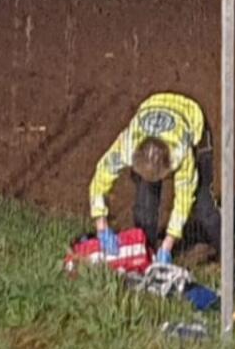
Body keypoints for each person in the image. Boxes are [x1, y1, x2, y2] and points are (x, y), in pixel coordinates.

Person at [89, 92, 221, 264]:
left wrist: (168, 243)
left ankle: (231, 258)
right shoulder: (128, 144)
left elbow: (183, 199)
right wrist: (101, 224)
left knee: (204, 207)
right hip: (153, 106)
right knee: (145, 206)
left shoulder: (180, 152)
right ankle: (145, 256)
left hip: (191, 119)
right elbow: (101, 177)